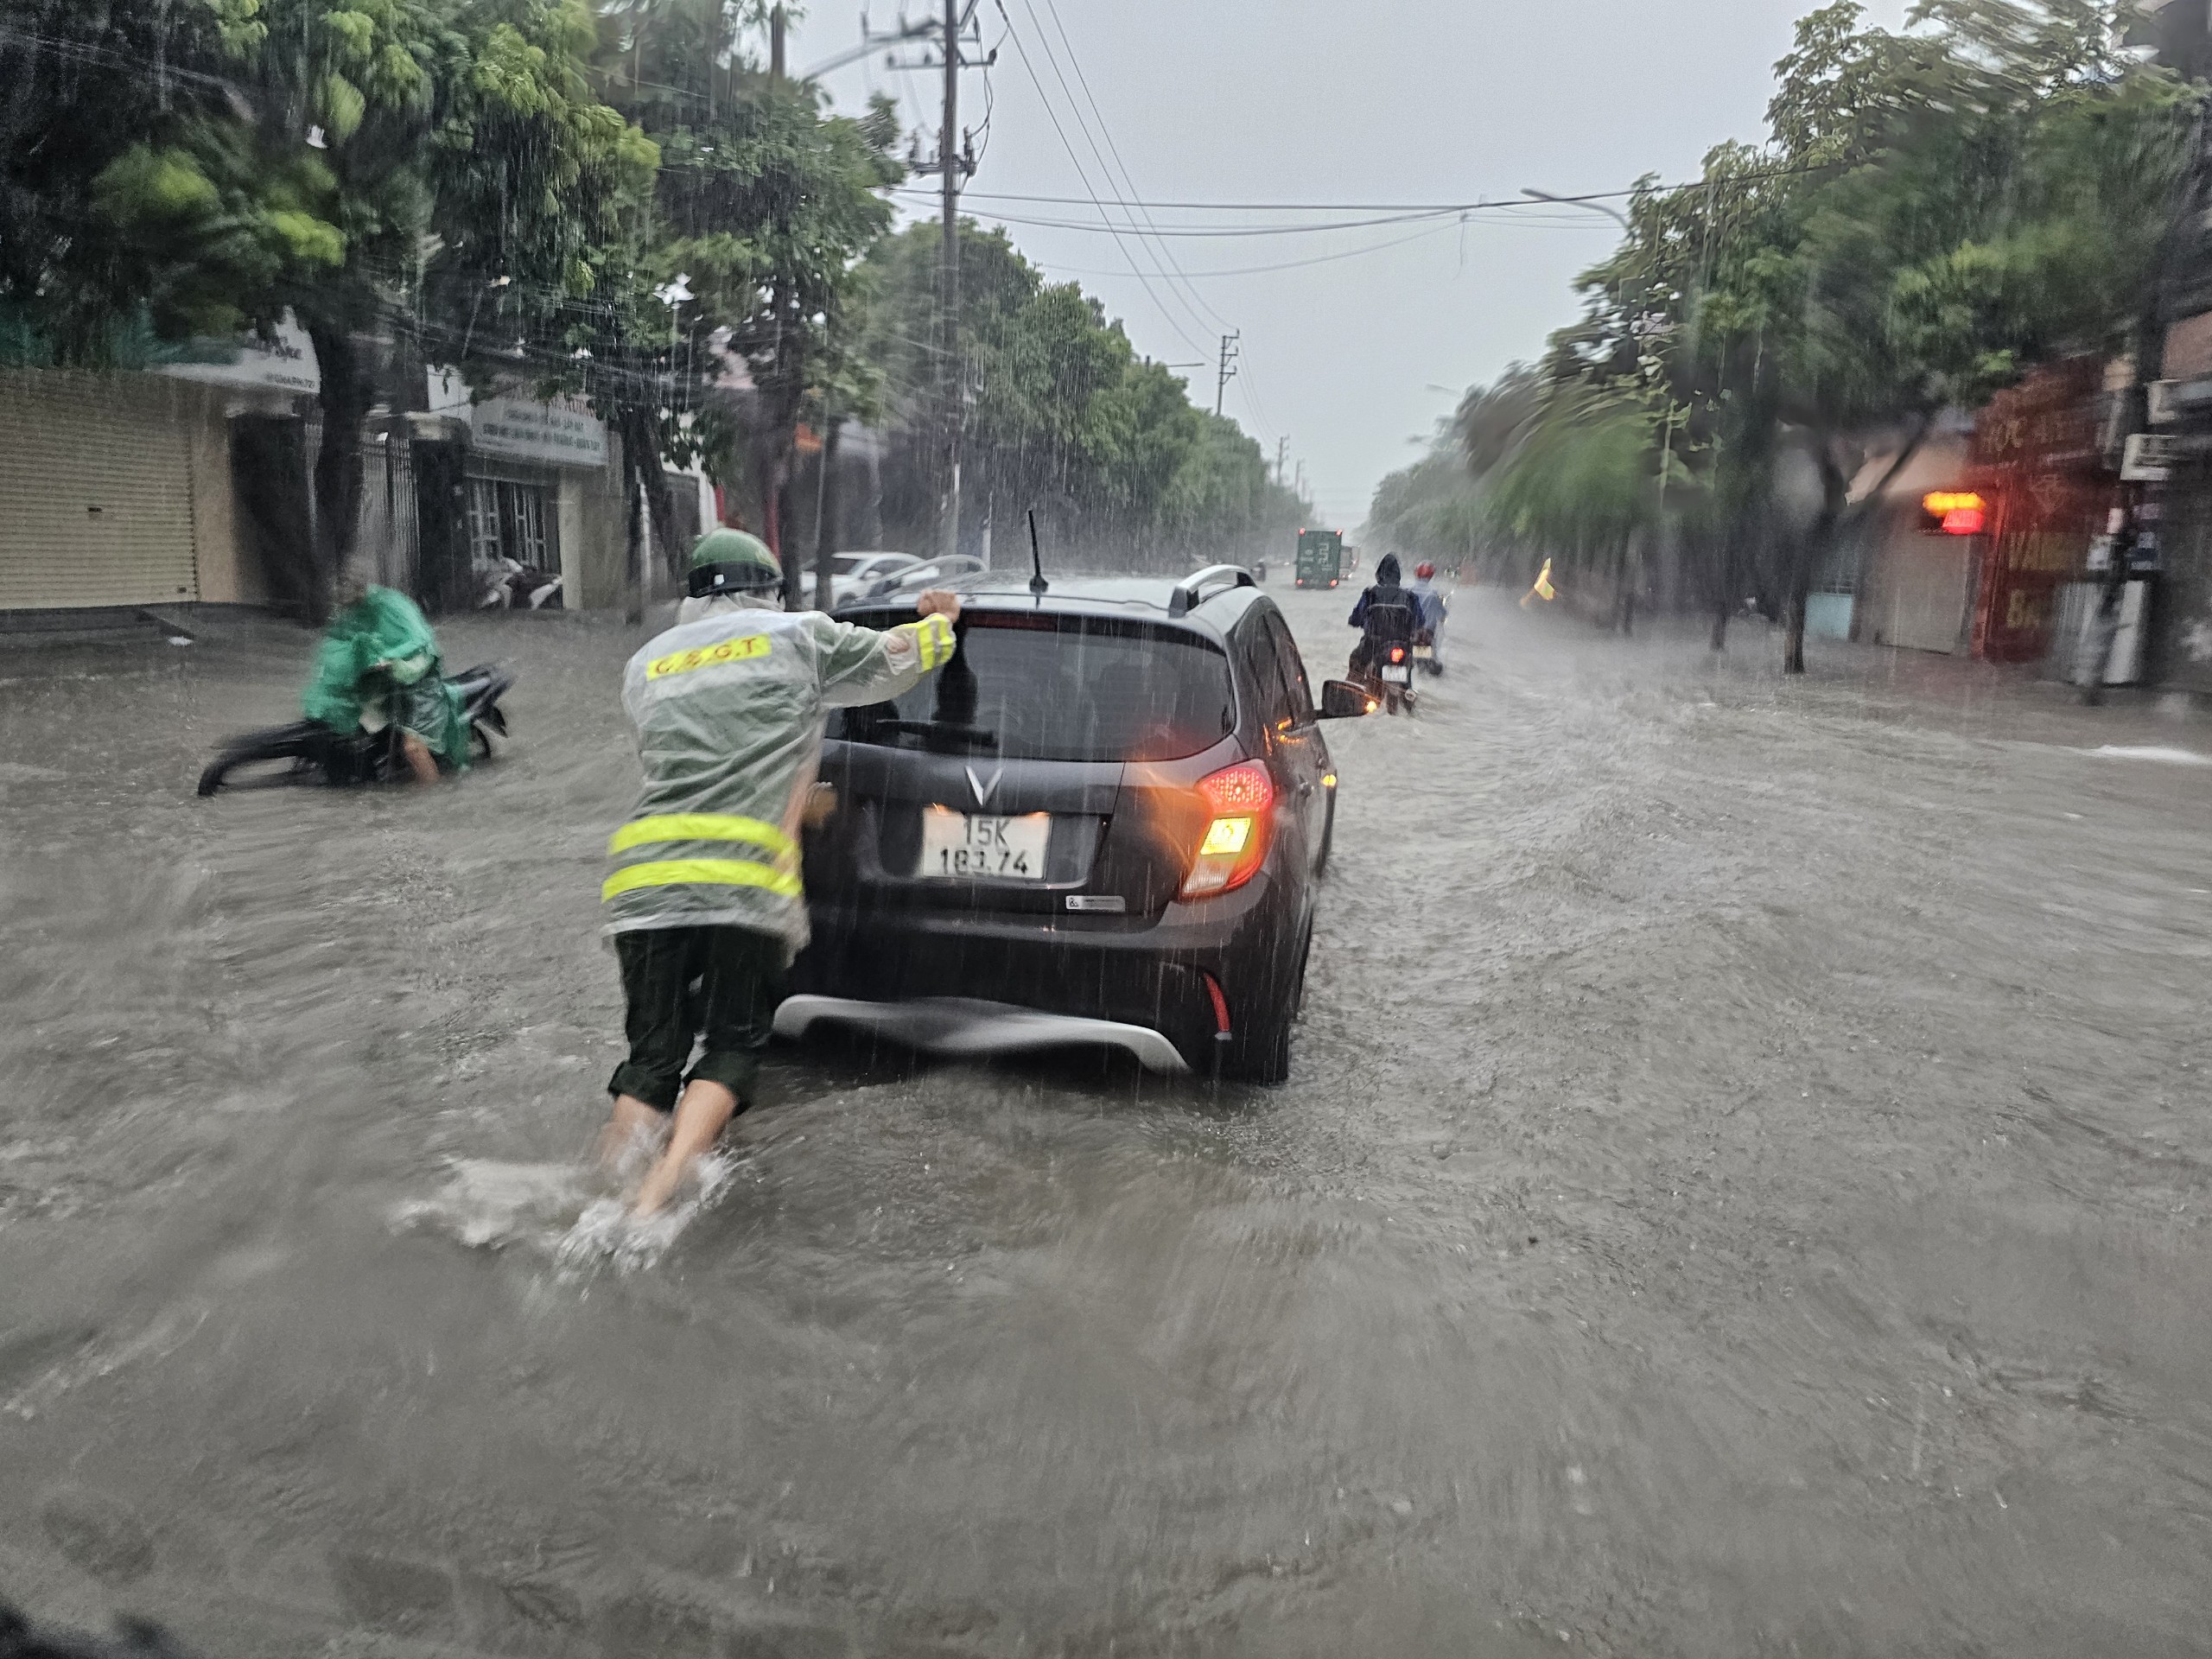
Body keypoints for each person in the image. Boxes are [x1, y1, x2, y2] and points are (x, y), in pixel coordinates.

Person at [596, 527, 964, 1217]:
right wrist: (941, 620)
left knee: (649, 1062)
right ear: (767, 587)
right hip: (743, 879)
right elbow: (899, 660)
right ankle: (656, 1196)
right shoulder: (799, 636)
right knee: (731, 1045)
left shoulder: (646, 664)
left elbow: (680, 756)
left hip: (643, 881)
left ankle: (605, 1193)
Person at [301, 569, 467, 784]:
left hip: (418, 679)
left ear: (359, 591)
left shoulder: (392, 605)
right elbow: (336, 642)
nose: (344, 607)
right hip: (381, 681)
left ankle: (431, 801)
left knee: (413, 748)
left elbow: (421, 638)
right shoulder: (350, 611)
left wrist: (391, 657)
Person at [1346, 552, 1421, 677]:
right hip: (1402, 645)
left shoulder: (1370, 594)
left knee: (1356, 663)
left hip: (1373, 645)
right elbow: (1419, 620)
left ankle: (1353, 693)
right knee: (1407, 675)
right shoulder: (1410, 597)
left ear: (1380, 573)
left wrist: (1354, 621)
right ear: (1398, 575)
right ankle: (1407, 693)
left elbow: (1357, 616)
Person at [1408, 559, 1448, 670]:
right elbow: (1442, 614)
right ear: (1431, 576)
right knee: (1433, 663)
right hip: (1426, 635)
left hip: (1409, 633)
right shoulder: (1433, 595)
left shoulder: (1408, 591)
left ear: (1417, 573)